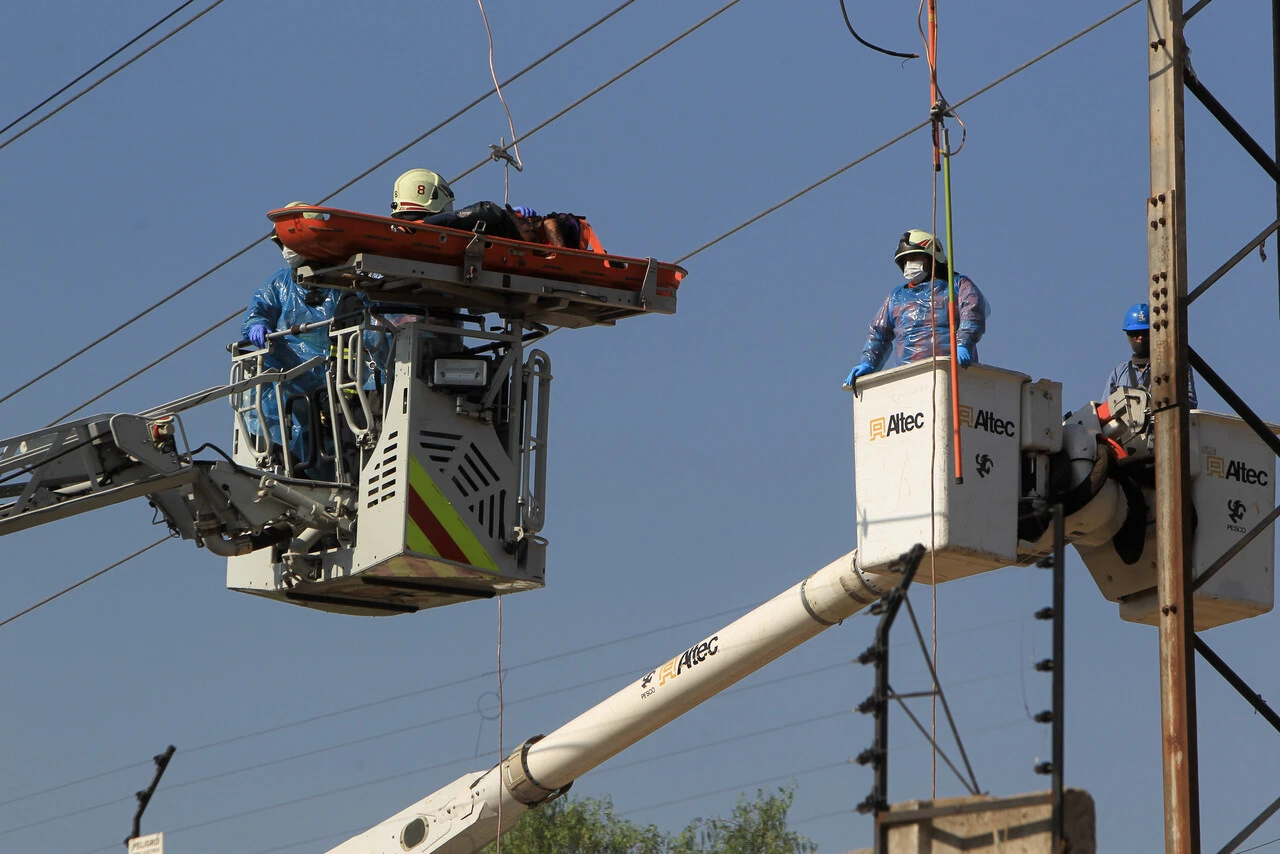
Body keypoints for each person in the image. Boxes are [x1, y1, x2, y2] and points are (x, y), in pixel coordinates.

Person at [242, 203, 341, 477]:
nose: (286, 249)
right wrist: (257, 325)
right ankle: (277, 454)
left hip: (336, 377)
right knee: (266, 392)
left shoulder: (340, 278)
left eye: (291, 240)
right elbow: (258, 310)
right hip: (293, 378)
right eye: (282, 242)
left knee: (332, 439)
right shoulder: (280, 283)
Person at [844, 230, 990, 387]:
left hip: (952, 372)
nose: (909, 265)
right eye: (905, 261)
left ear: (932, 258)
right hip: (909, 378)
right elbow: (878, 334)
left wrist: (963, 344)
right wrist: (868, 363)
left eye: (914, 258)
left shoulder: (957, 285)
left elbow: (972, 315)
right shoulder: (897, 296)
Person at [1104, 302, 1197, 407]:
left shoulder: (1173, 366)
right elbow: (1104, 413)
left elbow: (1189, 403)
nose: (1140, 338)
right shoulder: (1119, 372)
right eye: (1135, 333)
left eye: (1144, 333)